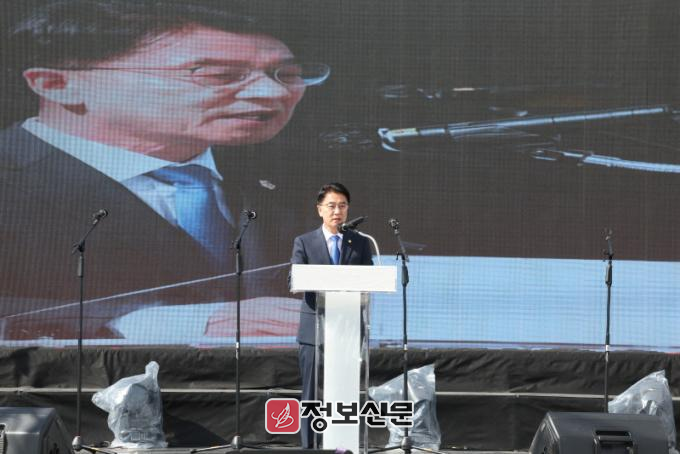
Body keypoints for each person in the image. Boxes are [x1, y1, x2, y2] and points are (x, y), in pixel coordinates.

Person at [0, 0, 330, 339]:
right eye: (219, 75)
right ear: (57, 84)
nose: (273, 92)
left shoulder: (305, 184)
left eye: (287, 74)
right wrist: (165, 324)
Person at [290, 182, 374, 448]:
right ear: (319, 209)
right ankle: (310, 448)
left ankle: (343, 447)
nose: (337, 211)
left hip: (349, 328)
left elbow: (370, 279)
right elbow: (295, 278)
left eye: (342, 206)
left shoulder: (361, 242)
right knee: (311, 395)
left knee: (344, 393)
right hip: (313, 330)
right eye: (331, 206)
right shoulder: (304, 242)